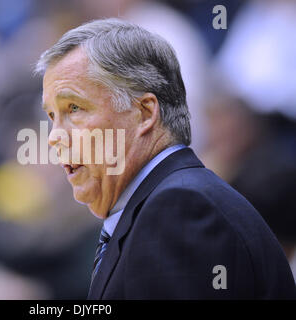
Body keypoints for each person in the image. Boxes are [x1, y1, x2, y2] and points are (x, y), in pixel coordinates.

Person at [34, 18, 296, 299]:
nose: (53, 137)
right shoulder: (159, 203)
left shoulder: (179, 209)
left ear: (145, 113)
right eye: (52, 116)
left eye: (73, 108)